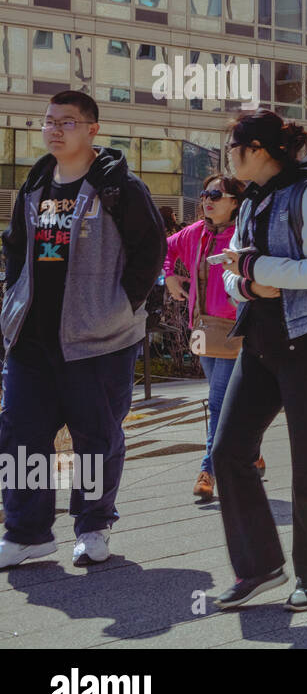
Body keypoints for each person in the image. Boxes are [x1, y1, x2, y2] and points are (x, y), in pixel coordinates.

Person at [0, 90, 166, 569]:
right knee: (21, 436)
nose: (54, 129)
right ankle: (27, 532)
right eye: (49, 121)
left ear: (92, 128)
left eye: (67, 122)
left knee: (94, 437)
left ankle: (93, 526)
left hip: (99, 340)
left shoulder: (119, 187)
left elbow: (149, 251)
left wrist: (119, 308)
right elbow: (14, 248)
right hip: (32, 338)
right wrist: (13, 300)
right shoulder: (35, 183)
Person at [209, 109, 307, 612]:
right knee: (228, 451)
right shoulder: (251, 201)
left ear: (259, 150)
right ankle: (259, 565)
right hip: (261, 341)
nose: (228, 156)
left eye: (233, 146)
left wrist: (252, 268)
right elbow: (231, 269)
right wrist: (244, 281)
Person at [164, 172, 258, 500]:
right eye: (205, 194)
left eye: (215, 195)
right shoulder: (194, 233)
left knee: (218, 402)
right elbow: (163, 250)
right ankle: (250, 448)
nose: (207, 200)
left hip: (235, 329)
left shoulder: (243, 235)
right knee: (223, 398)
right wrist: (169, 278)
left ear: (235, 202)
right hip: (201, 329)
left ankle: (208, 470)